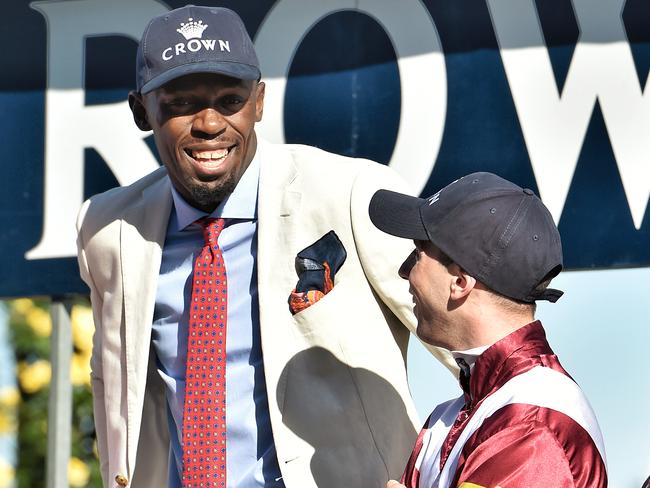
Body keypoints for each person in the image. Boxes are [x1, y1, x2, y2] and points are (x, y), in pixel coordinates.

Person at [76, 5, 454, 488]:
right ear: (141, 111)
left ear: (258, 101)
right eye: (181, 103)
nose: (209, 123)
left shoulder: (351, 192)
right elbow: (116, 392)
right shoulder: (108, 229)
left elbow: (473, 340)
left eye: (229, 100)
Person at [369, 172, 608, 487]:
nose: (403, 271)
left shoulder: (533, 422)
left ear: (460, 282)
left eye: (417, 254)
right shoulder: (452, 417)